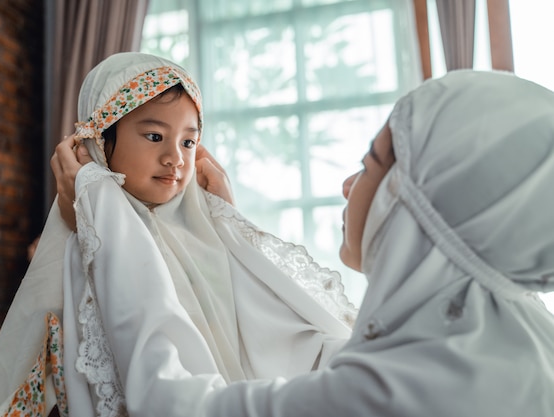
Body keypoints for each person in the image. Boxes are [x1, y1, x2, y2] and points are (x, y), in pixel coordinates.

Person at [52, 69, 554, 416]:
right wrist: (229, 226)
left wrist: (103, 206)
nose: (347, 186)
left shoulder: (401, 388)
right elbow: (317, 346)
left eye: (370, 164)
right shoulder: (516, 348)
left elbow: (171, 402)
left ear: (413, 202)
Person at [0, 52, 356, 417]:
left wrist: (226, 218)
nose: (176, 158)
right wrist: (95, 197)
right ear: (100, 142)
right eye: (154, 136)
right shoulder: (92, 243)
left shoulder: (206, 232)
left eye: (189, 142)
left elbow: (271, 326)